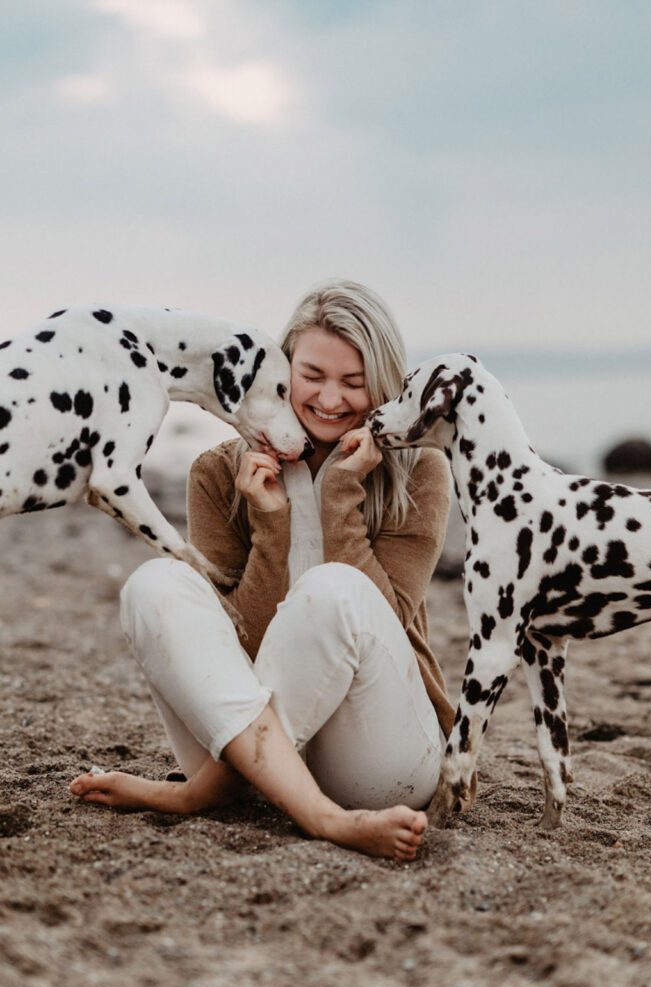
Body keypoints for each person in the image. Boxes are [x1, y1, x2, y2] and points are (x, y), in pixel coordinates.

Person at [70, 280, 455, 861]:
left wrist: (342, 497)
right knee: (155, 583)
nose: (330, 400)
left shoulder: (420, 471)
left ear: (383, 383)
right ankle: (303, 807)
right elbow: (235, 645)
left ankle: (206, 794)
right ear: (284, 367)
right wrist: (271, 527)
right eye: (313, 376)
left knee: (332, 591)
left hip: (378, 762)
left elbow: (392, 621)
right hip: (249, 742)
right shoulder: (218, 472)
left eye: (353, 383)